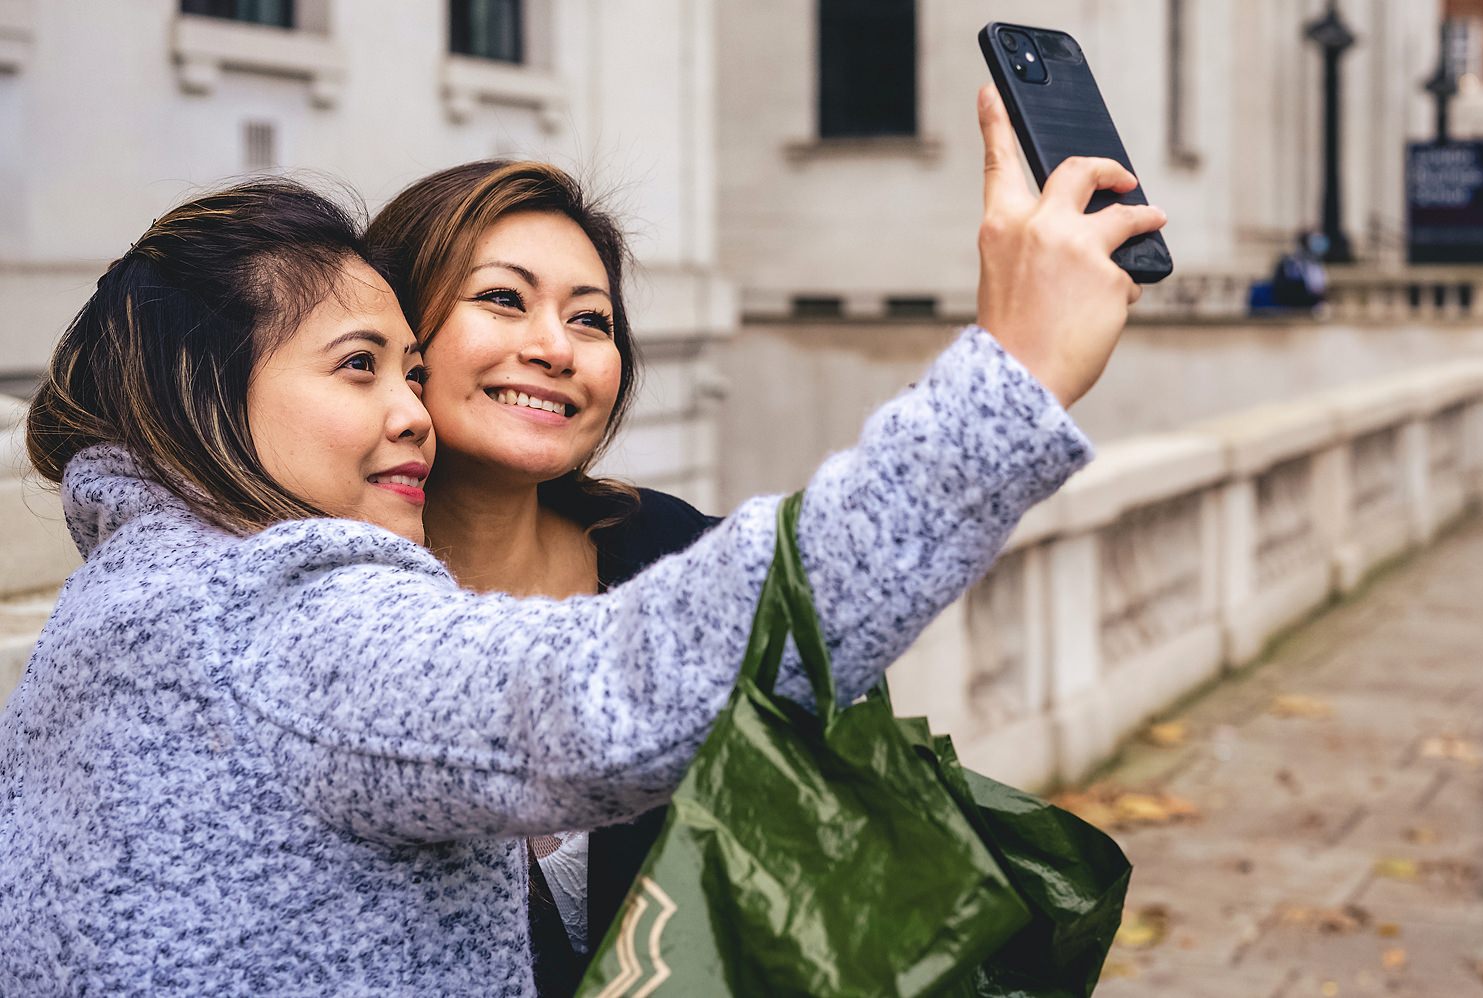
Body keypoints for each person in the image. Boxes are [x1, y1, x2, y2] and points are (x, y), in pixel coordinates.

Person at [0, 86, 1164, 994]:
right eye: (363, 366)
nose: (406, 406)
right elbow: (625, 687)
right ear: (201, 391)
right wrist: (1014, 374)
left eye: (592, 316)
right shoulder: (285, 618)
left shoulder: (121, 605)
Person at [365, 159, 720, 994]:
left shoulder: (668, 552)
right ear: (395, 334)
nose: (556, 349)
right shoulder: (329, 608)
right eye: (503, 299)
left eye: (590, 319)